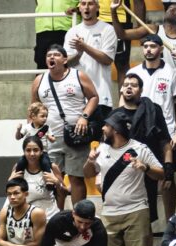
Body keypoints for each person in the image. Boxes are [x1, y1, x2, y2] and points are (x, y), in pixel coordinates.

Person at [84, 111, 164, 246]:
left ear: (115, 129)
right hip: (109, 214)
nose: (102, 128)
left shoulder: (139, 148)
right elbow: (88, 174)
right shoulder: (101, 149)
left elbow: (162, 174)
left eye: (106, 125)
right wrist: (90, 162)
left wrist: (145, 168)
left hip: (136, 213)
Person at [126, 34, 176, 217]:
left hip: (165, 133)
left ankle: (170, 221)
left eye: (153, 46)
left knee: (168, 178)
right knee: (140, 177)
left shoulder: (172, 72)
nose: (148, 49)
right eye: (145, 46)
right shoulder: (134, 73)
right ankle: (145, 220)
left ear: (161, 49)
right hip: (140, 134)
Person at [32, 44, 100, 205]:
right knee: (54, 179)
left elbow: (94, 97)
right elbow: (33, 109)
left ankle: (78, 215)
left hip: (75, 135)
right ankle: (58, 217)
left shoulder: (78, 76)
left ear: (65, 59)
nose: (51, 58)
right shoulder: (39, 80)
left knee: (76, 178)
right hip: (50, 138)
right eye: (49, 55)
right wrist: (32, 133)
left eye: (56, 55)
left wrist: (84, 117)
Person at [111, 73, 174, 224]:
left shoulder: (153, 110)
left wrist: (168, 170)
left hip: (147, 169)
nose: (129, 87)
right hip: (123, 171)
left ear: (141, 89)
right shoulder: (115, 115)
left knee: (147, 217)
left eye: (133, 85)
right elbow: (108, 146)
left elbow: (164, 142)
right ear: (121, 89)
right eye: (126, 85)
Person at [65, 0, 117, 116]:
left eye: (91, 4)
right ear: (79, 7)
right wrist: (79, 54)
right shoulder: (72, 32)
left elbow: (107, 59)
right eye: (83, 4)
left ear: (98, 7)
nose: (86, 7)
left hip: (101, 95)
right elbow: (66, 62)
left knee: (99, 133)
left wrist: (84, 47)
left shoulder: (108, 29)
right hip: (77, 98)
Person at [7, 136, 65, 219]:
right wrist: (9, 181)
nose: (32, 154)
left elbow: (64, 192)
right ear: (24, 152)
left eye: (36, 150)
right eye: (28, 150)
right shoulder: (18, 168)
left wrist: (57, 182)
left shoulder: (53, 168)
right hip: (26, 214)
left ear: (41, 151)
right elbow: (11, 193)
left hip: (49, 214)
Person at [35, 1, 79, 70]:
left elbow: (86, 4)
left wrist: (77, 9)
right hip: (43, 28)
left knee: (66, 63)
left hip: (67, 28)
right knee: (41, 62)